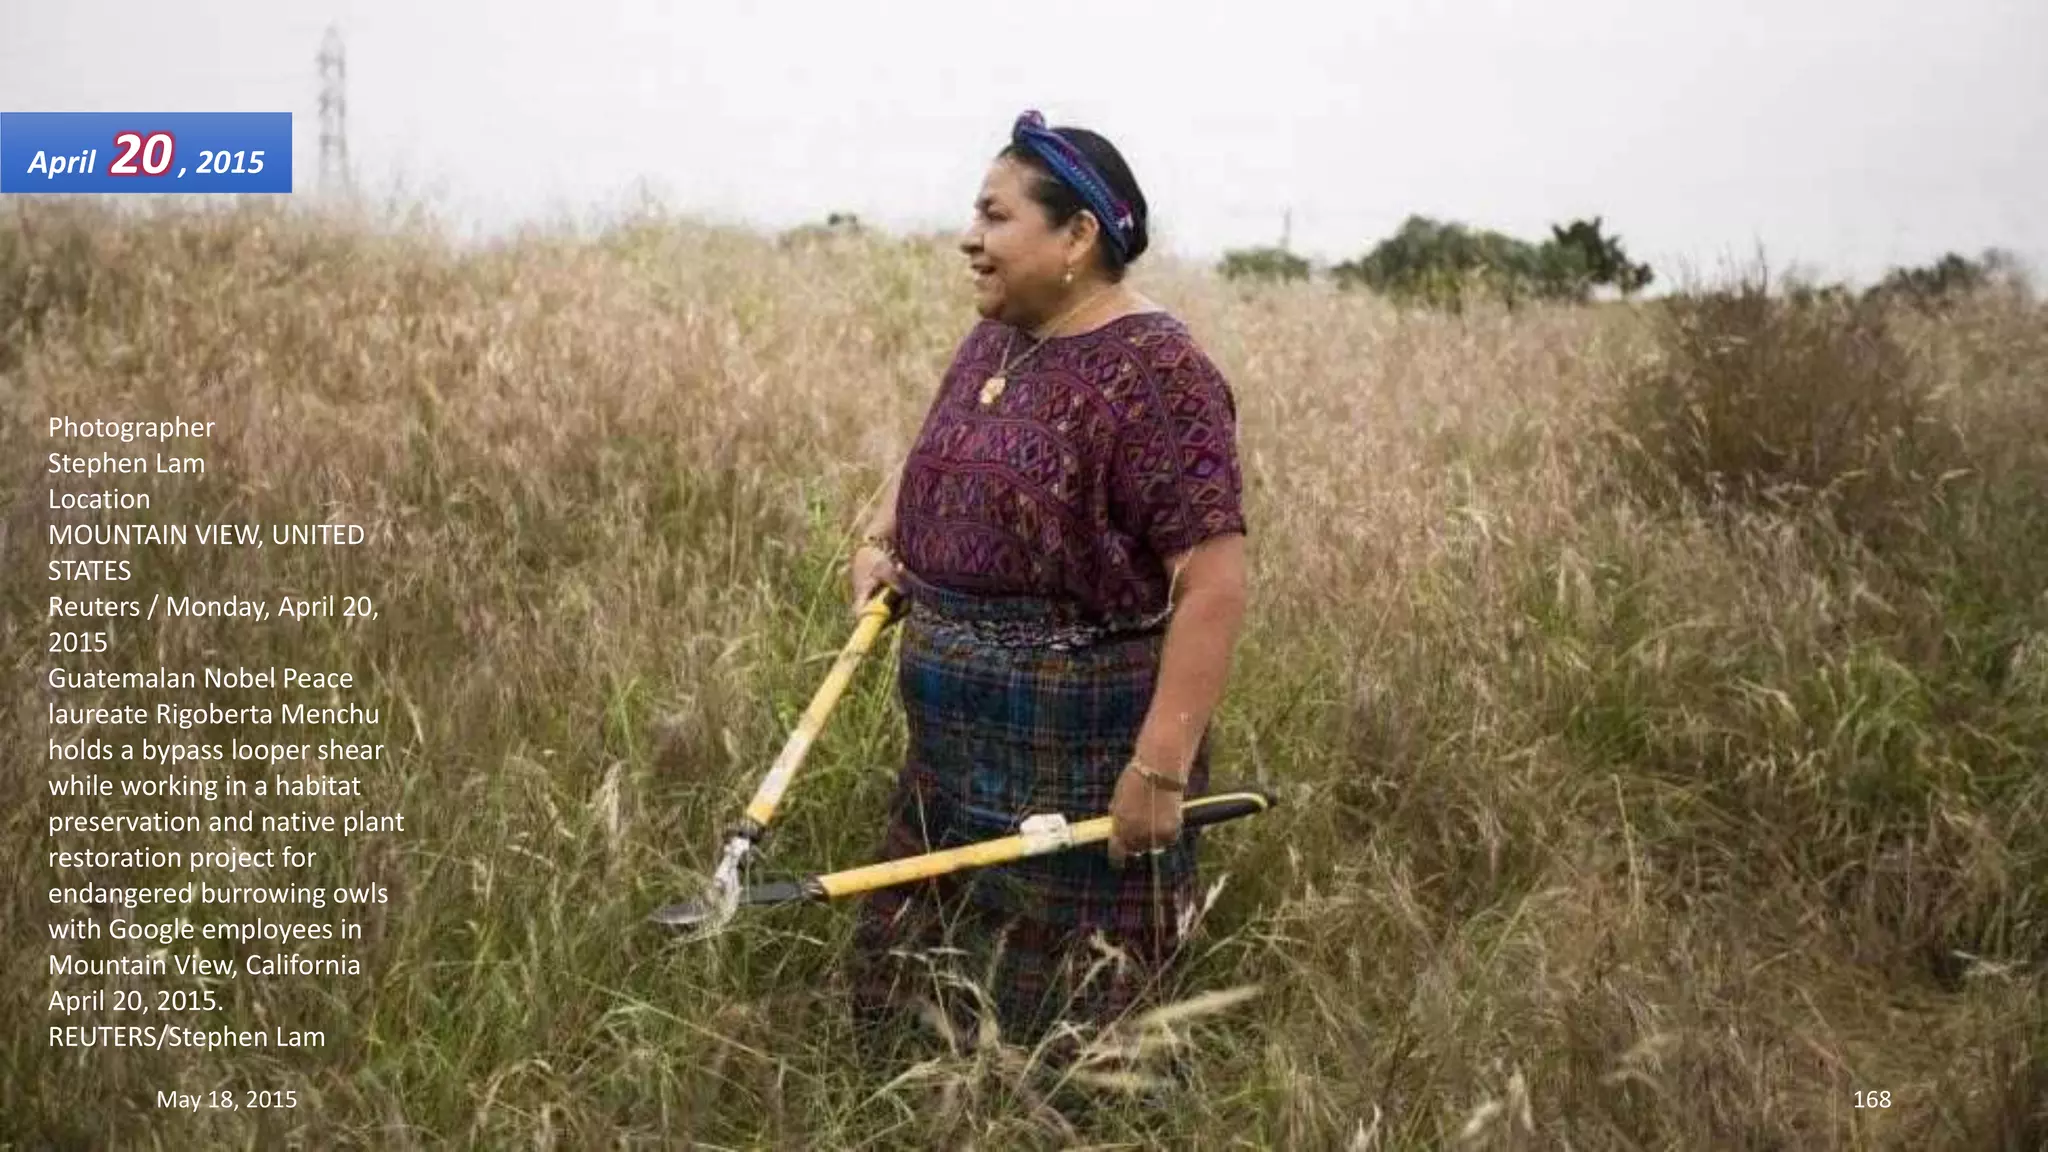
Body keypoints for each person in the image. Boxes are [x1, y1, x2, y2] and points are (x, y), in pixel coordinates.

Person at [845, 110, 1250, 1044]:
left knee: (1069, 1041)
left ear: (1076, 236)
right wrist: (887, 549)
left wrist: (1159, 769)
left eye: (994, 217)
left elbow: (1215, 586)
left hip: (1076, 753)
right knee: (902, 1006)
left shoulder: (1160, 372)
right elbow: (932, 464)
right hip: (945, 755)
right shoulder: (997, 338)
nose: (968, 238)